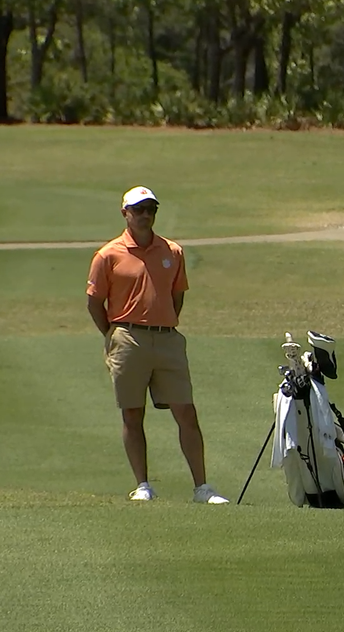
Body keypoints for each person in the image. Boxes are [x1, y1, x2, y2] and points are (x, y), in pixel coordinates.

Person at [86, 186, 229, 504]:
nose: (146, 215)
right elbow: (95, 302)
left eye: (151, 209)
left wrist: (163, 323)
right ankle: (143, 485)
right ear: (126, 213)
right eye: (139, 210)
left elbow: (177, 296)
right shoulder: (108, 255)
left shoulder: (172, 252)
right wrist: (112, 334)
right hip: (127, 337)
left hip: (167, 339)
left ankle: (202, 488)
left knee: (186, 413)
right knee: (132, 414)